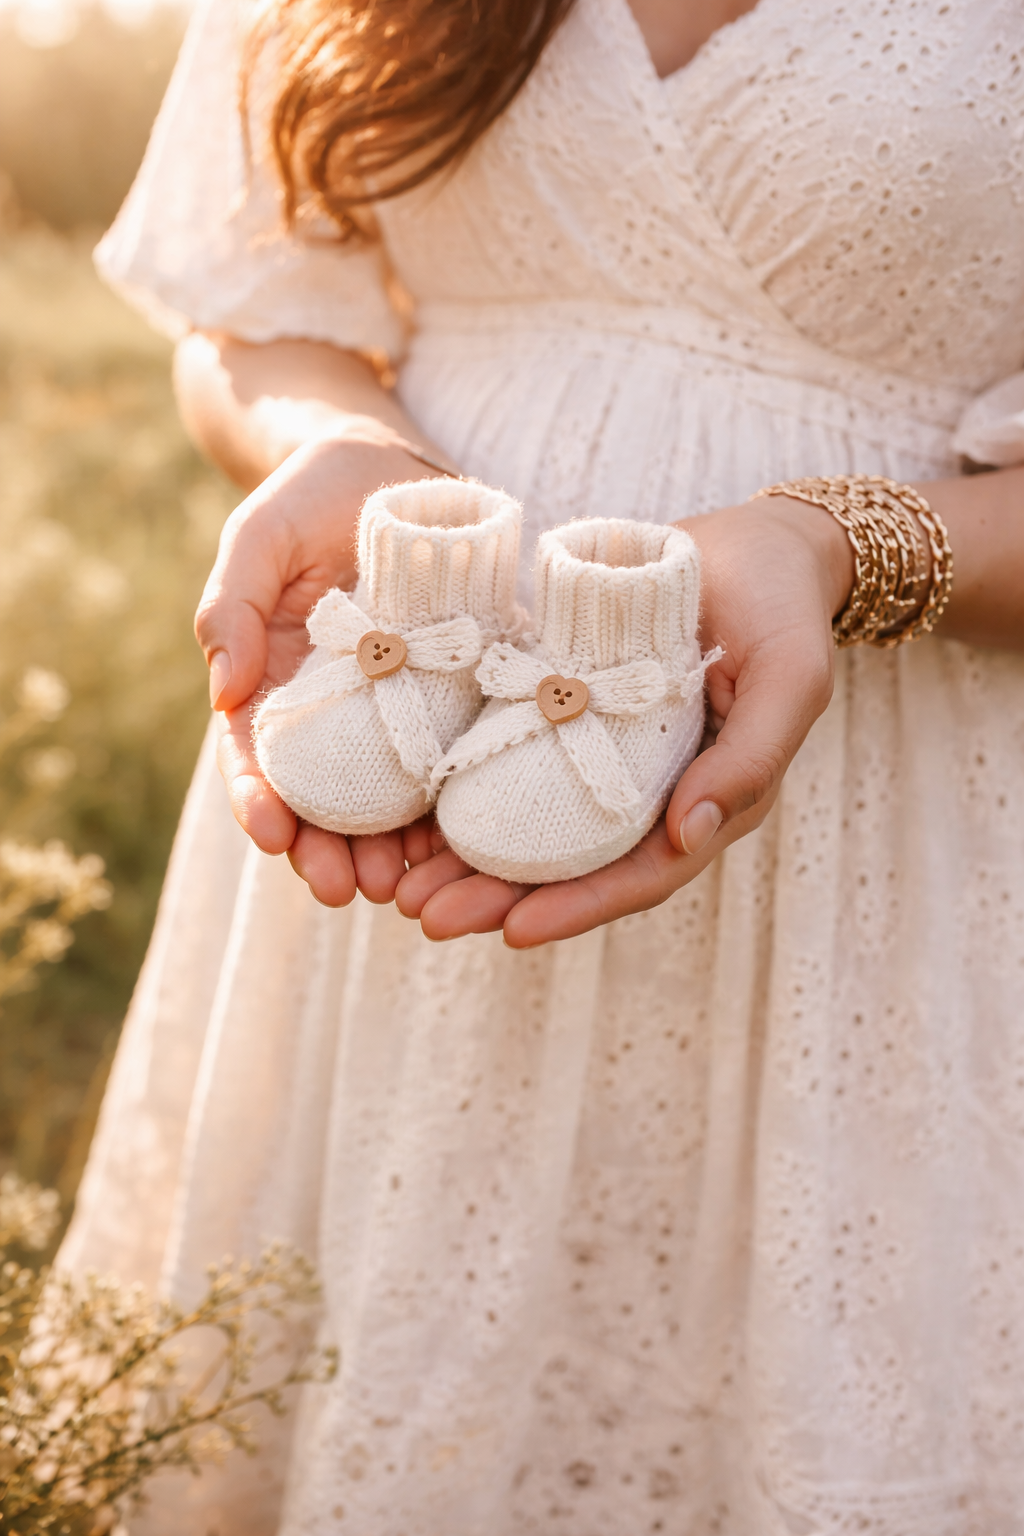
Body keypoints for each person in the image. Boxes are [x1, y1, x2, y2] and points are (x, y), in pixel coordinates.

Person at [61, 0, 1024, 1529]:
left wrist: (843, 547)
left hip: (871, 843)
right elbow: (254, 306)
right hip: (401, 684)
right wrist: (343, 455)